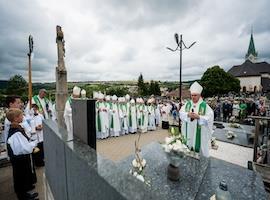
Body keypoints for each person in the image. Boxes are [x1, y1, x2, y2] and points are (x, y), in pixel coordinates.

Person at [6, 108, 39, 200]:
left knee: (23, 177)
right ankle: (23, 197)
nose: (23, 116)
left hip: (19, 158)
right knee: (20, 177)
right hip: (19, 159)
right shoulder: (16, 132)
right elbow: (25, 148)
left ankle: (25, 194)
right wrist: (34, 143)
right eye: (21, 115)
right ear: (16, 118)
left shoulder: (16, 127)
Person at [179, 81, 214, 157]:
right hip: (188, 130)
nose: (193, 97)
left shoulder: (204, 106)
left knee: (198, 150)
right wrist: (187, 114)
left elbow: (210, 117)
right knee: (188, 147)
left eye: (195, 95)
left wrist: (199, 117)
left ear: (199, 95)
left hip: (199, 132)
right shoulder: (188, 104)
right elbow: (181, 113)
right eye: (192, 95)